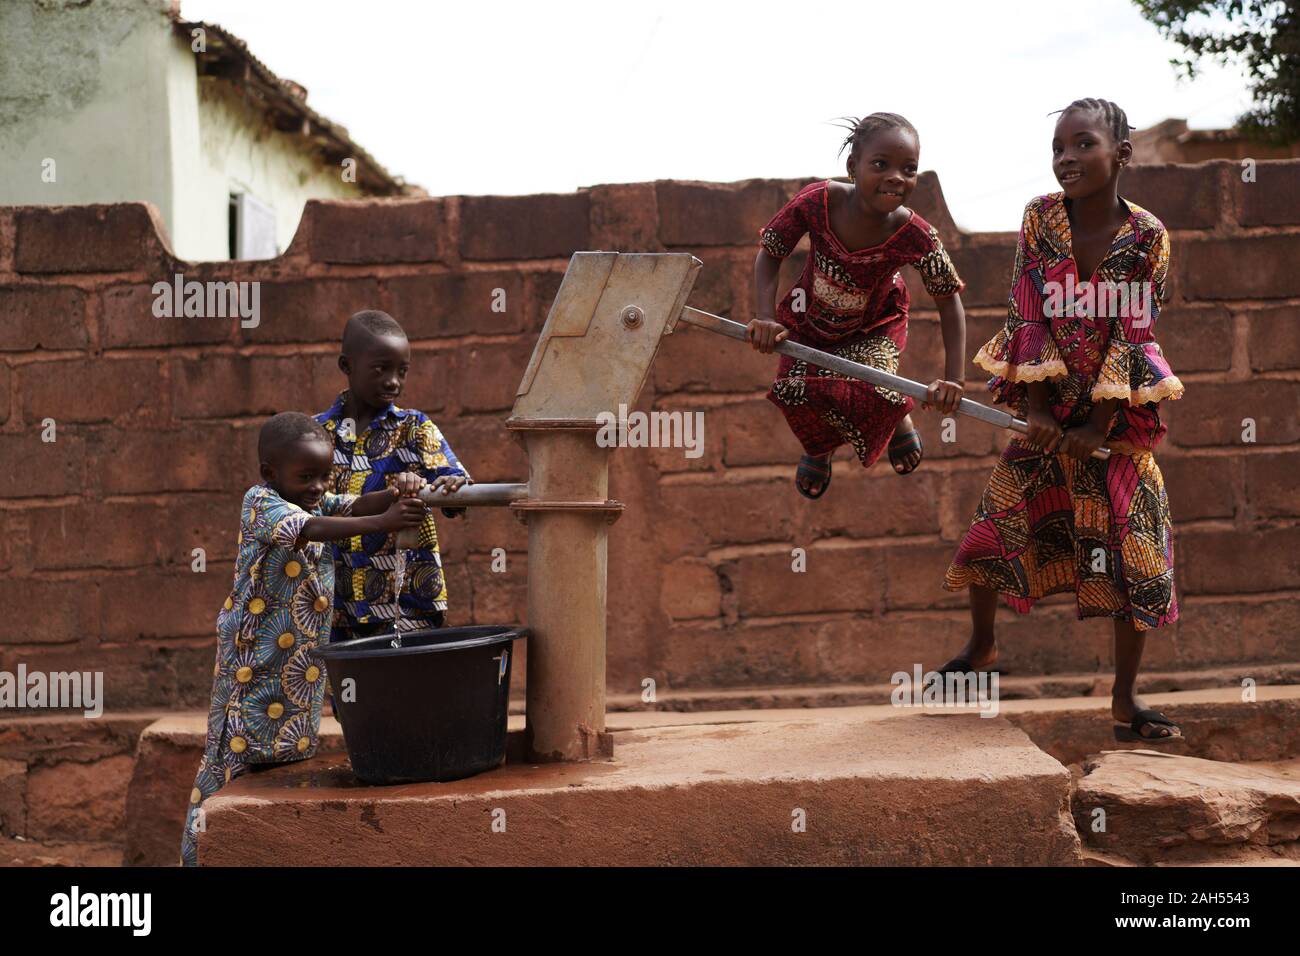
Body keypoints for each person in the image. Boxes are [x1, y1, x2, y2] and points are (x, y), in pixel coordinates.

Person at [941, 98, 1185, 743]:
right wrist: (1044, 411)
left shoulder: (1147, 239)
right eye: (1058, 148)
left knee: (1136, 547)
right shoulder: (1040, 220)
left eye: (1083, 145)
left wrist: (1095, 426)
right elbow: (1027, 309)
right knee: (996, 522)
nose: (1066, 160)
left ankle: (1126, 702)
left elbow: (1134, 334)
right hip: (1045, 402)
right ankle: (982, 648)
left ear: (1121, 155)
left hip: (1119, 415)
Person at [746, 112, 968, 497]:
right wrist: (764, 317)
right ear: (853, 167)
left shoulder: (916, 234)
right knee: (791, 390)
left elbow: (949, 301)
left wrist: (954, 379)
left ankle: (898, 418)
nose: (896, 177)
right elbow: (770, 252)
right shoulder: (817, 202)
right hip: (810, 320)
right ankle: (820, 447)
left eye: (909, 169)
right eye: (881, 165)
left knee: (877, 388)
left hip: (875, 325)